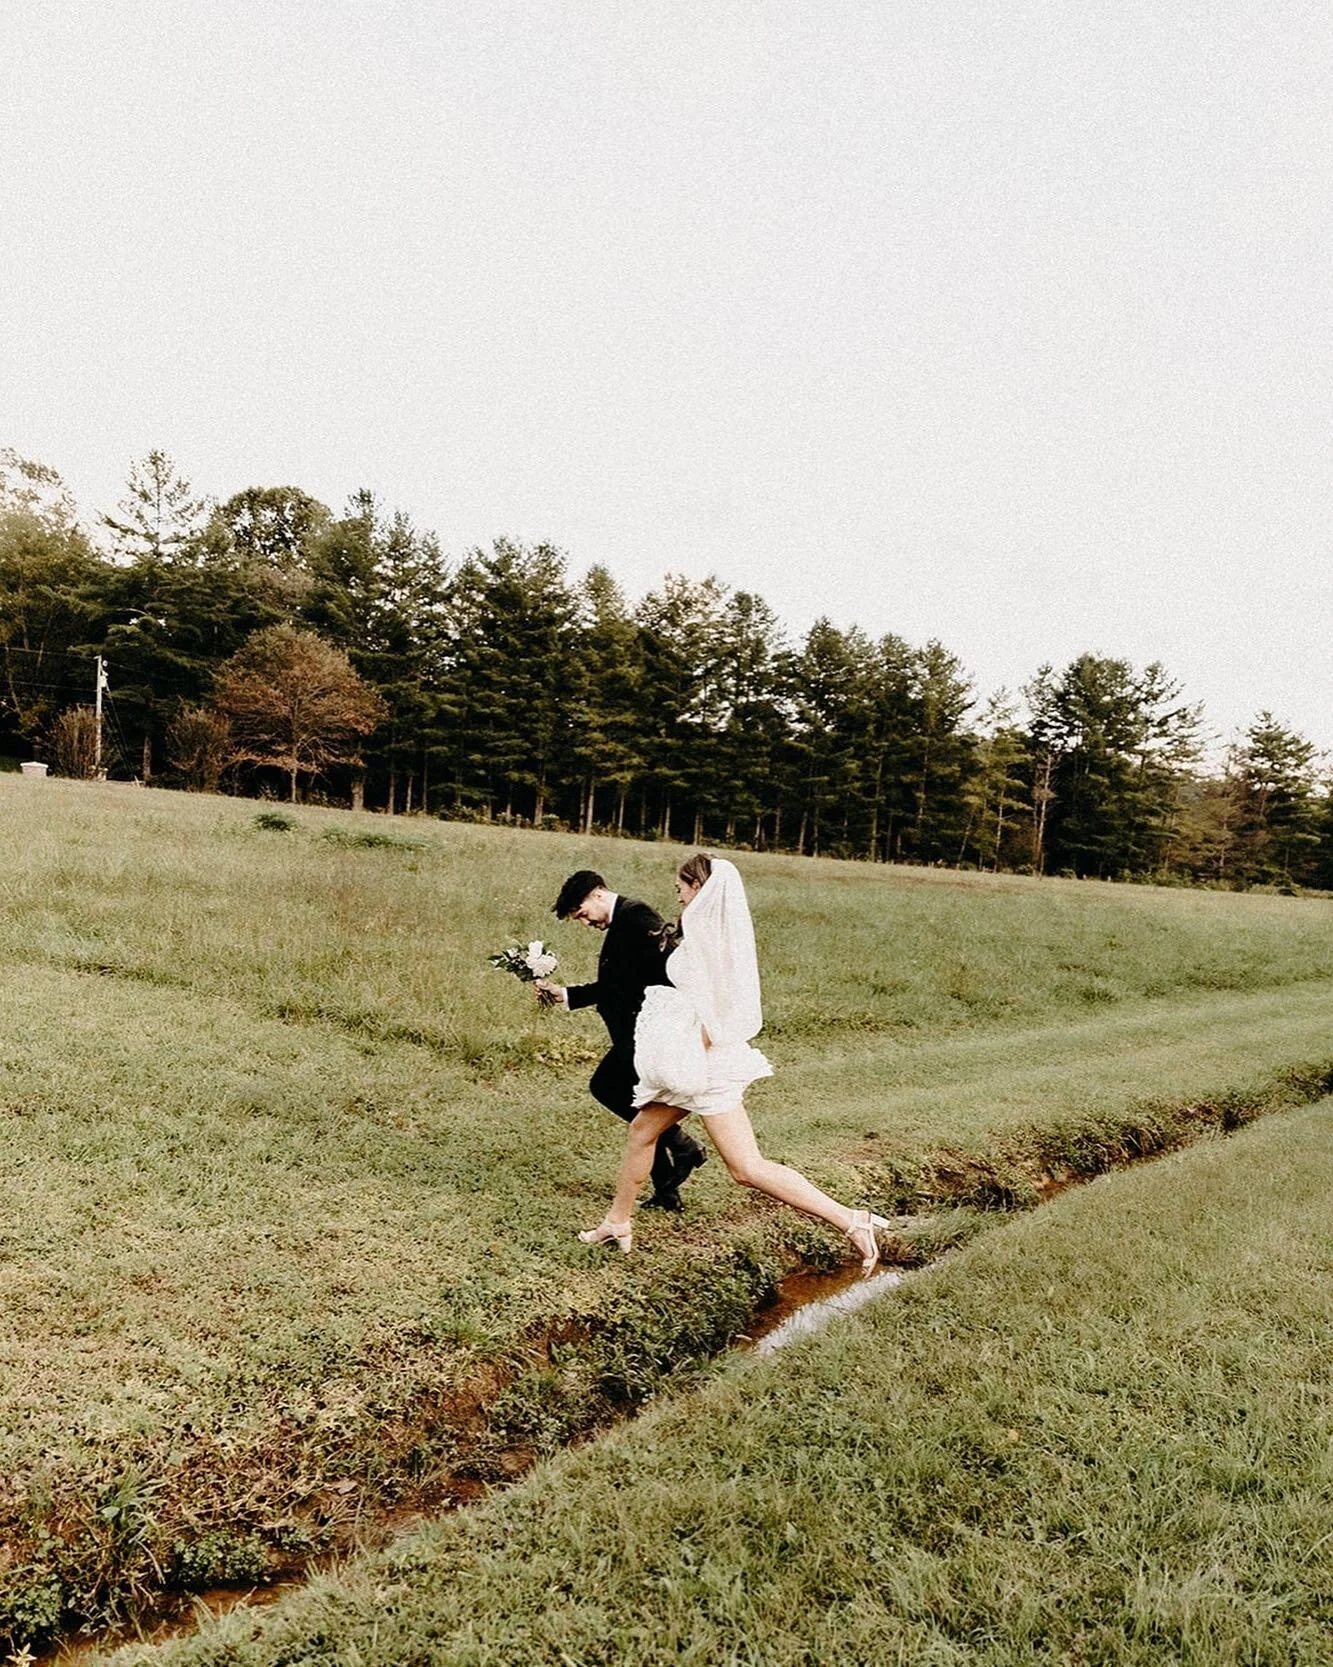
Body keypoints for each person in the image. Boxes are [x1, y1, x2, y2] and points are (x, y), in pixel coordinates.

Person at [577, 854, 887, 1274]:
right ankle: (617, 1222)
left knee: (743, 1167)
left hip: (702, 1064)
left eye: (682, 887)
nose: (679, 895)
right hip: (695, 1060)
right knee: (648, 1133)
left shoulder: (715, 938)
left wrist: (691, 1046)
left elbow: (725, 1006)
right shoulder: (705, 930)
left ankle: (853, 1221)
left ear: (700, 888)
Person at [536, 869, 708, 1212]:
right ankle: (671, 1179)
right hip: (638, 1032)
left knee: (609, 1088)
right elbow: (619, 983)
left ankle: (681, 1151)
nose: (586, 923)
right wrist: (565, 994)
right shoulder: (624, 920)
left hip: (649, 1033)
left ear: (598, 894)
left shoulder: (636, 917)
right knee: (632, 1101)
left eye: (583, 914)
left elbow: (647, 981)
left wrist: (573, 995)